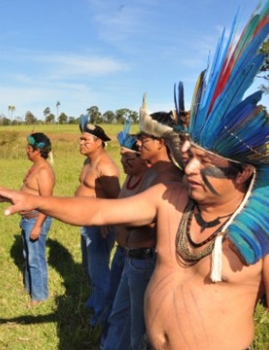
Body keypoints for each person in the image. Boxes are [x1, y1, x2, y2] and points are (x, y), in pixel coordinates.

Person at [0, 1, 269, 348]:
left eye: (204, 161)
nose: (191, 168)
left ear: (243, 172)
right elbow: (98, 211)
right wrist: (34, 200)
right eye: (189, 157)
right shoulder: (170, 199)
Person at [104, 105, 184, 350]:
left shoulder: (166, 177)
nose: (138, 144)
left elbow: (150, 219)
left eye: (144, 139)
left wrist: (114, 215)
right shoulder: (152, 172)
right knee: (120, 317)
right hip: (133, 259)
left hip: (145, 261)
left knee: (139, 330)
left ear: (161, 142)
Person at [101, 121, 148, 347]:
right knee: (116, 305)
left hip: (139, 257)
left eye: (129, 157)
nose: (123, 162)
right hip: (122, 252)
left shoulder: (149, 183)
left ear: (143, 157)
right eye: (121, 156)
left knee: (132, 315)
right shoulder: (129, 178)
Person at [75, 115, 121, 327]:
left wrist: (106, 222)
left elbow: (116, 200)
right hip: (86, 222)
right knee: (89, 267)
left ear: (99, 142)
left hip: (99, 226)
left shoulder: (106, 168)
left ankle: (103, 315)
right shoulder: (88, 161)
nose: (81, 143)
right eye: (81, 139)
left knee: (99, 270)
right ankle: (96, 301)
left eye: (86, 140)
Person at [19, 132, 56, 307]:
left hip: (36, 220)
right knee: (28, 255)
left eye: (29, 148)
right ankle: (29, 288)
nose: (26, 151)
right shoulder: (35, 167)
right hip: (28, 219)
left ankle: (40, 296)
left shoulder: (44, 172)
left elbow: (47, 203)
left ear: (36, 151)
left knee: (36, 258)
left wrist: (38, 226)